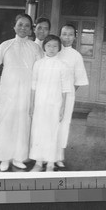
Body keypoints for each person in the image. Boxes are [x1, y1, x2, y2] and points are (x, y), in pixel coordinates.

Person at [0, 14, 42, 172]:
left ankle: (18, 158)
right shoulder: (6, 45)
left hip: (27, 91)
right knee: (6, 122)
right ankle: (5, 158)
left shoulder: (35, 47)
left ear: (31, 29)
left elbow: (41, 70)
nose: (23, 28)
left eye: (26, 25)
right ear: (14, 27)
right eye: (20, 24)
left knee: (23, 123)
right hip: (8, 91)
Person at [29, 35, 71, 172]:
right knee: (39, 131)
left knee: (53, 132)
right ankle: (39, 162)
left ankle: (51, 163)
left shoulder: (63, 65)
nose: (51, 49)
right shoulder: (38, 64)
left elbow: (65, 88)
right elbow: (33, 85)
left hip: (55, 103)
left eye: (54, 46)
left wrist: (63, 107)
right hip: (40, 103)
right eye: (48, 46)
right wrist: (32, 104)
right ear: (44, 47)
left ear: (59, 48)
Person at [56, 24, 89, 168]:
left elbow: (79, 79)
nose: (67, 37)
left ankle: (58, 156)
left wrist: (68, 93)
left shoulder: (76, 56)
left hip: (67, 95)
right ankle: (45, 155)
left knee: (63, 124)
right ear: (60, 35)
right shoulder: (53, 50)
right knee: (49, 124)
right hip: (50, 94)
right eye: (64, 34)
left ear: (74, 37)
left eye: (70, 34)